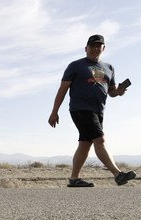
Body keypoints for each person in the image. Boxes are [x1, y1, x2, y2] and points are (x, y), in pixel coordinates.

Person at [48, 34, 136, 187]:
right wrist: (54, 111)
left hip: (98, 110)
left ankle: (74, 179)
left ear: (103, 48)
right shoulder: (75, 66)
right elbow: (62, 89)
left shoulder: (109, 68)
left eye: (99, 46)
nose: (95, 48)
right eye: (92, 46)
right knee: (99, 139)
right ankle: (118, 174)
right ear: (86, 48)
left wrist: (119, 91)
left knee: (85, 143)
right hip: (80, 108)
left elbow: (112, 92)